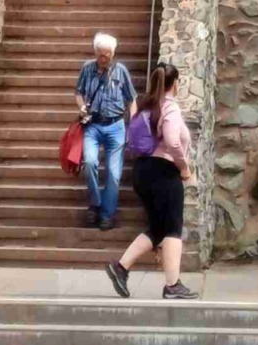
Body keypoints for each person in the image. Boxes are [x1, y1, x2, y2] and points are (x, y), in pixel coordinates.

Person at [105, 62, 199, 301]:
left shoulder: (146, 106)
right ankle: (172, 285)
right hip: (164, 173)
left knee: (157, 229)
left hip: (143, 172)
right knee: (173, 228)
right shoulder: (170, 107)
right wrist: (184, 167)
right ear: (175, 83)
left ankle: (120, 268)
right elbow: (173, 141)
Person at [75, 32, 136, 231]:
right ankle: (96, 203)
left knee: (113, 172)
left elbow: (131, 99)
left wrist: (133, 124)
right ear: (95, 53)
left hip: (116, 125)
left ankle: (107, 214)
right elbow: (79, 92)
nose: (104, 58)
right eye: (101, 55)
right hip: (93, 124)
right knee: (90, 162)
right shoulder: (87, 69)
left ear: (113, 53)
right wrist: (81, 107)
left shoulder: (121, 71)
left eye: (107, 55)